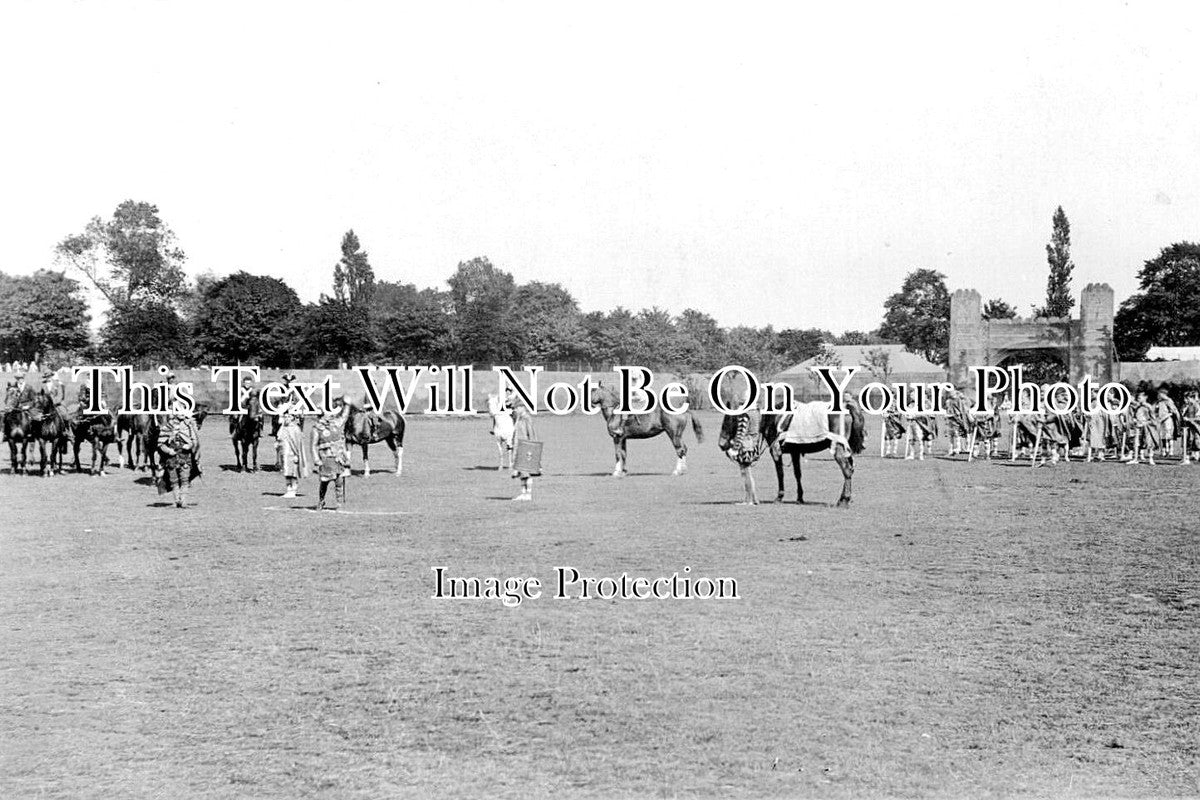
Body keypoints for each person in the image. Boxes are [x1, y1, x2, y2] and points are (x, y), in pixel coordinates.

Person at [157, 401, 201, 508]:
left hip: (185, 457)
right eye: (179, 411)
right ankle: (176, 501)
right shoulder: (168, 426)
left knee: (185, 479)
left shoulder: (189, 425)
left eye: (183, 411)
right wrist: (168, 451)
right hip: (171, 458)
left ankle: (183, 501)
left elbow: (195, 441)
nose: (181, 413)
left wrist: (189, 445)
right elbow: (161, 443)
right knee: (173, 480)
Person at [312, 398, 351, 510]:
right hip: (325, 458)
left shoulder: (336, 424)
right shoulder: (317, 428)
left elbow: (344, 416)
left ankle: (339, 503)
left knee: (339, 481)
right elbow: (313, 445)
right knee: (325, 481)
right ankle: (321, 500)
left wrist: (347, 404)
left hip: (338, 457)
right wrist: (316, 459)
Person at [276, 374, 309, 498]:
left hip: (294, 430)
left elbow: (301, 416)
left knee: (294, 459)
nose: (289, 383)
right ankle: (288, 487)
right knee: (285, 459)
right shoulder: (283, 395)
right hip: (284, 429)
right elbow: (279, 414)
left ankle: (293, 488)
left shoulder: (298, 397)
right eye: (287, 381)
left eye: (291, 381)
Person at [510, 397, 540, 501]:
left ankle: (528, 494)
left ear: (522, 407)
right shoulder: (518, 419)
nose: (515, 410)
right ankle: (523, 493)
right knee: (521, 473)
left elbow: (531, 434)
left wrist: (532, 449)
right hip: (519, 447)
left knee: (526, 472)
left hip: (526, 447)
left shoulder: (527, 418)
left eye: (517, 408)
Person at [1126, 389, 1159, 465]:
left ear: (1145, 397)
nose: (1138, 398)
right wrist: (1135, 421)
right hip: (1138, 427)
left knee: (1149, 443)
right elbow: (1135, 416)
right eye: (1138, 397)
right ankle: (1135, 458)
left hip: (1148, 428)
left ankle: (1151, 458)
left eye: (1140, 397)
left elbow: (1153, 420)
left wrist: (1145, 423)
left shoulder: (1149, 407)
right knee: (1136, 442)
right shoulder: (1138, 407)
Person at [1154, 387, 1180, 458]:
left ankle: (1171, 451)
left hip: (1168, 420)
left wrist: (1165, 417)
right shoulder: (1159, 402)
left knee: (1169, 435)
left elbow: (1173, 411)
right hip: (1161, 421)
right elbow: (1156, 411)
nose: (1158, 396)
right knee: (1162, 435)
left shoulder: (1169, 401)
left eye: (1160, 394)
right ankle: (1164, 451)